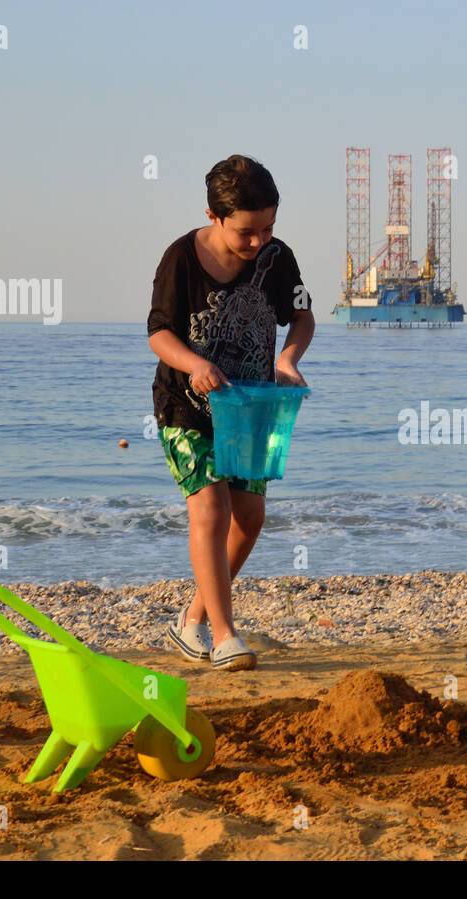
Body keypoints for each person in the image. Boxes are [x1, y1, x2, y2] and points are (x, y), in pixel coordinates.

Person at [147, 155, 315, 672]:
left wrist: (287, 358)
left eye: (268, 228)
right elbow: (158, 333)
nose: (258, 241)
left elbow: (303, 315)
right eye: (247, 232)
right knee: (211, 511)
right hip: (187, 408)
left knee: (250, 517)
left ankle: (191, 620)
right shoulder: (180, 258)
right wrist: (195, 364)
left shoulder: (278, 257)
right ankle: (224, 636)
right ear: (215, 215)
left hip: (253, 408)